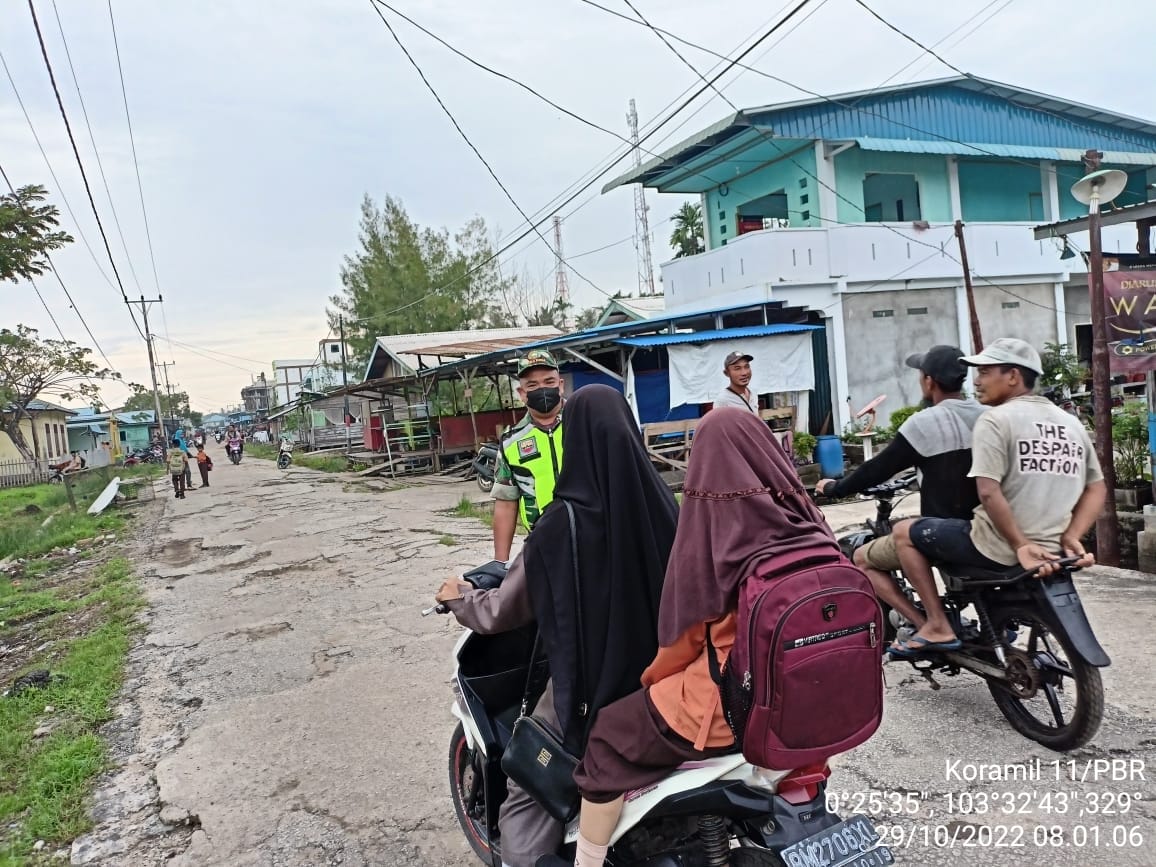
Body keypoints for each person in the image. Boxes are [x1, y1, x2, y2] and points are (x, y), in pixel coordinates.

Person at [552, 408, 847, 867]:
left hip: (727, 710)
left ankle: (587, 861)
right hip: (814, 701)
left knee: (607, 739)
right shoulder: (813, 529)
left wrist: (650, 679)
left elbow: (682, 643)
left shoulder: (714, 540)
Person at [434, 385, 678, 867]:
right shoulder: (665, 507)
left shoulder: (559, 525)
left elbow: (500, 611)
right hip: (667, 683)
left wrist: (458, 596)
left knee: (529, 791)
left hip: (592, 694)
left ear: (577, 442)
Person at [890, 338, 1105, 656]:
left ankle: (936, 623)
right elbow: (1096, 488)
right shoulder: (1069, 422)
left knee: (903, 533)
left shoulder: (995, 420)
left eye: (986, 371)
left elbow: (988, 492)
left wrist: (1020, 545)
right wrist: (1073, 535)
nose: (976, 381)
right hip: (1055, 547)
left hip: (996, 546)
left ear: (1014, 376)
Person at [816, 345, 985, 628]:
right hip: (984, 525)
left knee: (862, 559)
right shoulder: (986, 415)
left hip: (942, 532)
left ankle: (927, 623)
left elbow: (877, 469)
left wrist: (835, 488)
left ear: (929, 381)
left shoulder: (924, 423)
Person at [490, 350, 566, 562]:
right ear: (522, 393)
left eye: (548, 381)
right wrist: (500, 563)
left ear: (560, 385)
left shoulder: (586, 422)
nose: (542, 388)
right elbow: (506, 503)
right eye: (532, 385)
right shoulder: (511, 443)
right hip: (544, 545)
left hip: (597, 536)